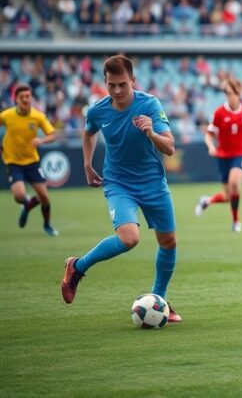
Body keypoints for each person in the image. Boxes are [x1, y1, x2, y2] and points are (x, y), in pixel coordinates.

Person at [61, 55, 181, 323]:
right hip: (118, 183)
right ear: (105, 82)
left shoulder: (149, 105)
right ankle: (77, 267)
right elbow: (89, 132)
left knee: (169, 242)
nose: (116, 90)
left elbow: (170, 147)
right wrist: (87, 164)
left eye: (122, 85)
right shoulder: (97, 110)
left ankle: (159, 300)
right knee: (129, 238)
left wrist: (151, 133)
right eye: (111, 84)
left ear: (133, 81)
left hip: (152, 182)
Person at [194, 76, 242, 232]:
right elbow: (209, 134)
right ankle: (207, 201)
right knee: (228, 195)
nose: (230, 96)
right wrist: (210, 146)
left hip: (241, 153)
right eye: (227, 93)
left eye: (233, 92)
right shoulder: (218, 113)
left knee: (235, 182)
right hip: (223, 155)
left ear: (239, 93)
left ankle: (236, 221)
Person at [0, 84, 59, 236]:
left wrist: (41, 141)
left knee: (44, 197)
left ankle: (47, 225)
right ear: (16, 99)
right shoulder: (7, 116)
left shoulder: (38, 116)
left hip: (32, 161)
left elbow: (53, 135)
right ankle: (26, 205)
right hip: (13, 162)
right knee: (19, 196)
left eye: (28, 96)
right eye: (22, 97)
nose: (26, 100)